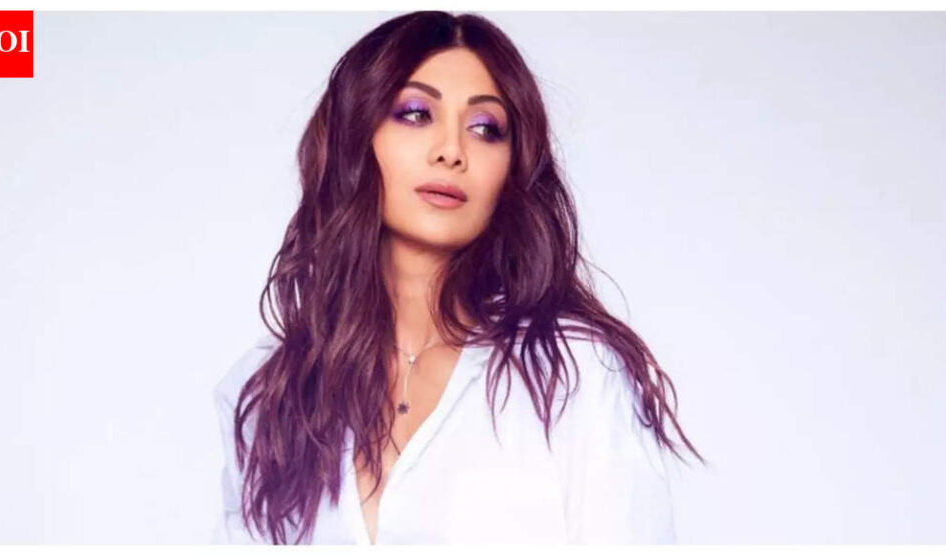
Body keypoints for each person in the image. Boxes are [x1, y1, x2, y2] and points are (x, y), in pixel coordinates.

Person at [212, 10, 705, 545]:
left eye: (485, 128)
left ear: (511, 169)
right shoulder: (271, 391)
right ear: (355, 138)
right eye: (416, 114)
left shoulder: (574, 373)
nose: (452, 151)